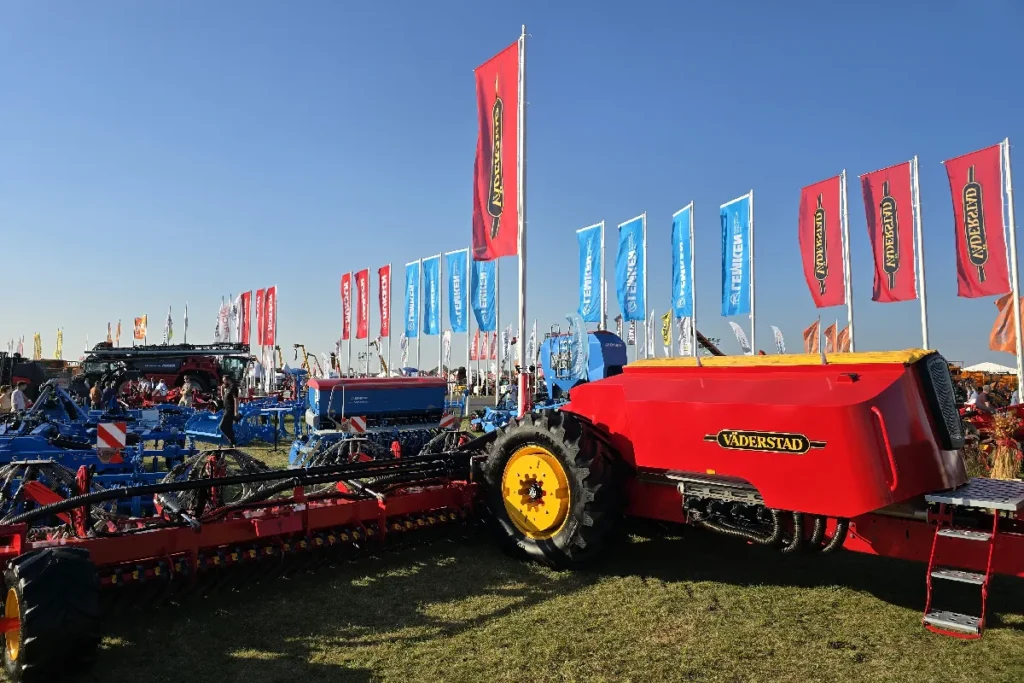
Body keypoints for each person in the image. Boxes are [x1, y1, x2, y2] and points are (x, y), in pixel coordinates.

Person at [219, 376, 240, 446]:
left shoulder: (233, 387)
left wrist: (236, 412)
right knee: (229, 427)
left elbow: (236, 400)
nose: (223, 382)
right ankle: (232, 444)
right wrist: (222, 389)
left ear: (228, 380)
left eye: (224, 380)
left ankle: (233, 441)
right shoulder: (227, 388)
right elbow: (222, 398)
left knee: (222, 426)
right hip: (226, 409)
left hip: (230, 410)